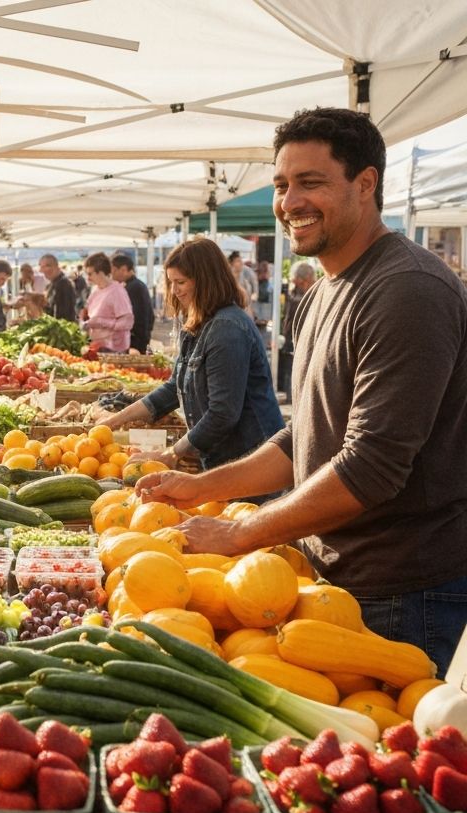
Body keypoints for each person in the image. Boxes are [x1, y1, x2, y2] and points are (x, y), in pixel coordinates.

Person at [136, 107, 467, 676]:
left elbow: (371, 466)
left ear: (366, 184)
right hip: (334, 578)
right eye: (283, 185)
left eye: (311, 182)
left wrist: (240, 534)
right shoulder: (321, 293)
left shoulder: (407, 289)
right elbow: (305, 436)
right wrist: (202, 485)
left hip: (405, 595)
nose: (290, 202)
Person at [97, 237, 283, 473]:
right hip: (224, 459)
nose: (174, 291)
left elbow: (222, 414)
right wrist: (114, 421)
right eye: (171, 282)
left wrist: (171, 453)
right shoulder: (198, 324)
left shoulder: (227, 329)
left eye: (181, 282)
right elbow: (174, 387)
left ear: (206, 281)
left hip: (250, 461)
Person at [80, 252, 133, 353]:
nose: (88, 278)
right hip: (97, 346)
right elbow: (89, 311)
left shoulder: (117, 291)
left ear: (100, 273)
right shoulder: (95, 289)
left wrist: (101, 322)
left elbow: (127, 323)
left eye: (90, 274)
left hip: (114, 350)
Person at [278, 261, 316, 402]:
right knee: (292, 372)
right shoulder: (294, 294)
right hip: (293, 340)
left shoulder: (299, 294)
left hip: (304, 341)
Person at [111, 253, 154, 353]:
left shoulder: (134, 287)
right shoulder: (135, 285)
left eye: (114, 270)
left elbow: (139, 318)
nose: (112, 274)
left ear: (123, 269)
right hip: (138, 340)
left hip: (135, 343)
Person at [39, 253, 77, 321]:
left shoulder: (63, 284)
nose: (41, 271)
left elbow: (61, 314)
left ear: (52, 267)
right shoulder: (52, 284)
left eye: (43, 267)